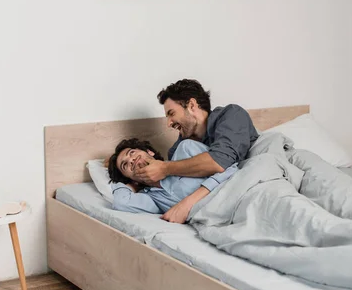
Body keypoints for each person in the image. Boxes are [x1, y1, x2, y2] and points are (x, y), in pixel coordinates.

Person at [135, 79, 258, 222]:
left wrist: (165, 168)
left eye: (171, 113)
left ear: (192, 105)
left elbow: (219, 162)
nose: (169, 123)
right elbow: (172, 182)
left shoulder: (231, 115)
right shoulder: (179, 147)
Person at [107, 137, 237, 222]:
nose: (131, 160)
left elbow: (230, 167)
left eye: (132, 153)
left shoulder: (186, 150)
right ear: (132, 180)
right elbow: (121, 202)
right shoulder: (152, 199)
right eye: (125, 165)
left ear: (149, 152)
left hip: (237, 193)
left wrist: (189, 202)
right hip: (221, 220)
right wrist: (130, 185)